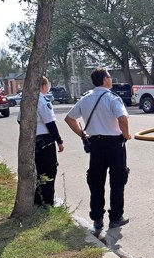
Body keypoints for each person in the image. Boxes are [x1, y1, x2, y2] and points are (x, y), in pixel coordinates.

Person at [65, 68, 132, 236]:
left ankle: (97, 218)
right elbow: (122, 118)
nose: (111, 79)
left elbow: (69, 118)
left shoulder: (86, 99)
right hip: (114, 144)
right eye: (109, 76)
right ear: (104, 80)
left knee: (96, 182)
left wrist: (83, 134)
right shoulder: (112, 98)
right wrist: (126, 134)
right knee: (117, 180)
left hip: (95, 145)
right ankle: (116, 216)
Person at [22, 76, 65, 206]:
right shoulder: (42, 101)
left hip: (32, 140)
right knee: (49, 170)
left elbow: (20, 120)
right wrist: (59, 140)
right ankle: (47, 201)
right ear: (43, 86)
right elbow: (50, 123)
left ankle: (38, 199)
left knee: (38, 170)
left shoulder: (27, 101)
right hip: (45, 140)